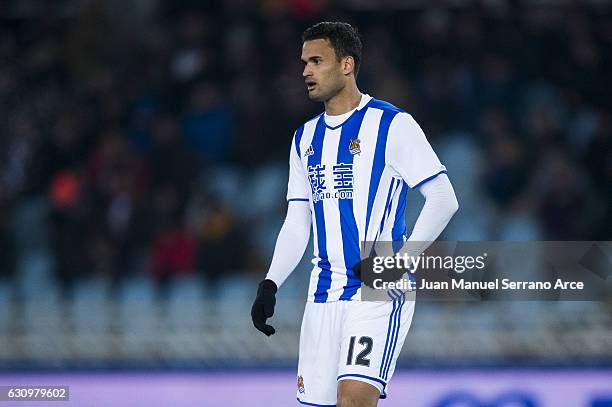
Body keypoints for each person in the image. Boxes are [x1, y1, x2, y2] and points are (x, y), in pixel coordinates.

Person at [251, 21, 458, 407]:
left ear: (347, 65)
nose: (305, 71)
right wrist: (270, 282)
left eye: (316, 61)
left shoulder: (392, 124)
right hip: (322, 293)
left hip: (376, 288)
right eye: (303, 63)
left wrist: (399, 264)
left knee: (353, 402)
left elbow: (444, 198)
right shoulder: (304, 138)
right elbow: (298, 221)